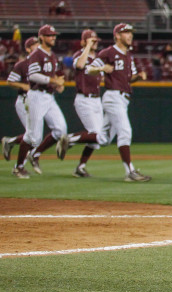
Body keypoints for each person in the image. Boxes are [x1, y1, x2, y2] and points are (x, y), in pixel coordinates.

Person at [91, 23, 151, 182]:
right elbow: (90, 69)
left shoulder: (128, 55)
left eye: (131, 32)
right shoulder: (108, 52)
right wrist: (102, 68)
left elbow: (128, 78)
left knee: (103, 139)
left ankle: (70, 139)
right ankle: (130, 172)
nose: (130, 35)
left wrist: (138, 77)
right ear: (117, 35)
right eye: (126, 32)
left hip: (123, 98)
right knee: (125, 132)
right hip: (113, 96)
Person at [11, 25, 69, 178]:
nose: (53, 38)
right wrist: (52, 80)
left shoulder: (52, 55)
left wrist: (59, 82)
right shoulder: (37, 54)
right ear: (42, 37)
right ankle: (18, 166)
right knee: (33, 137)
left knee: (61, 129)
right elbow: (33, 76)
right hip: (36, 95)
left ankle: (35, 154)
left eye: (54, 35)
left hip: (49, 96)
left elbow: (57, 74)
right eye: (50, 35)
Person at [59, 30, 114, 177]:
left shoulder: (98, 58)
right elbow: (79, 65)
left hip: (96, 99)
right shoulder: (80, 54)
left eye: (95, 41)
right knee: (96, 134)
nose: (95, 43)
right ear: (84, 42)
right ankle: (69, 139)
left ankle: (80, 167)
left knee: (98, 140)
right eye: (91, 40)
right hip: (84, 99)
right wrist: (87, 47)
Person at [2, 37, 39, 163]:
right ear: (28, 49)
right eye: (34, 45)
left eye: (38, 43)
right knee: (32, 135)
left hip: (37, 102)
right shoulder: (22, 64)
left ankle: (10, 142)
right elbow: (10, 81)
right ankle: (20, 166)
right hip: (24, 101)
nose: (38, 46)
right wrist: (24, 86)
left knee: (34, 135)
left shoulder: (42, 64)